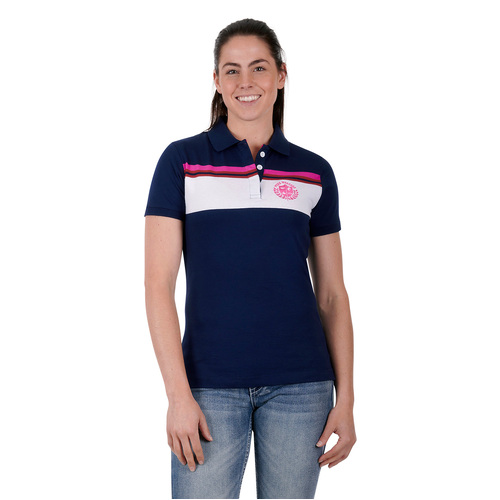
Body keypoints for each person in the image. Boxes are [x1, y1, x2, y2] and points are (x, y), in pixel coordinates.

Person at [144, 18, 356, 499]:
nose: (246, 82)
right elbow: (157, 285)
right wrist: (178, 396)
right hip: (207, 388)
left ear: (281, 75)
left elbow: (332, 295)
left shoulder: (314, 172)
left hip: (302, 387)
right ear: (217, 81)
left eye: (258, 68)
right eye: (232, 70)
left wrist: (346, 399)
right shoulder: (181, 162)